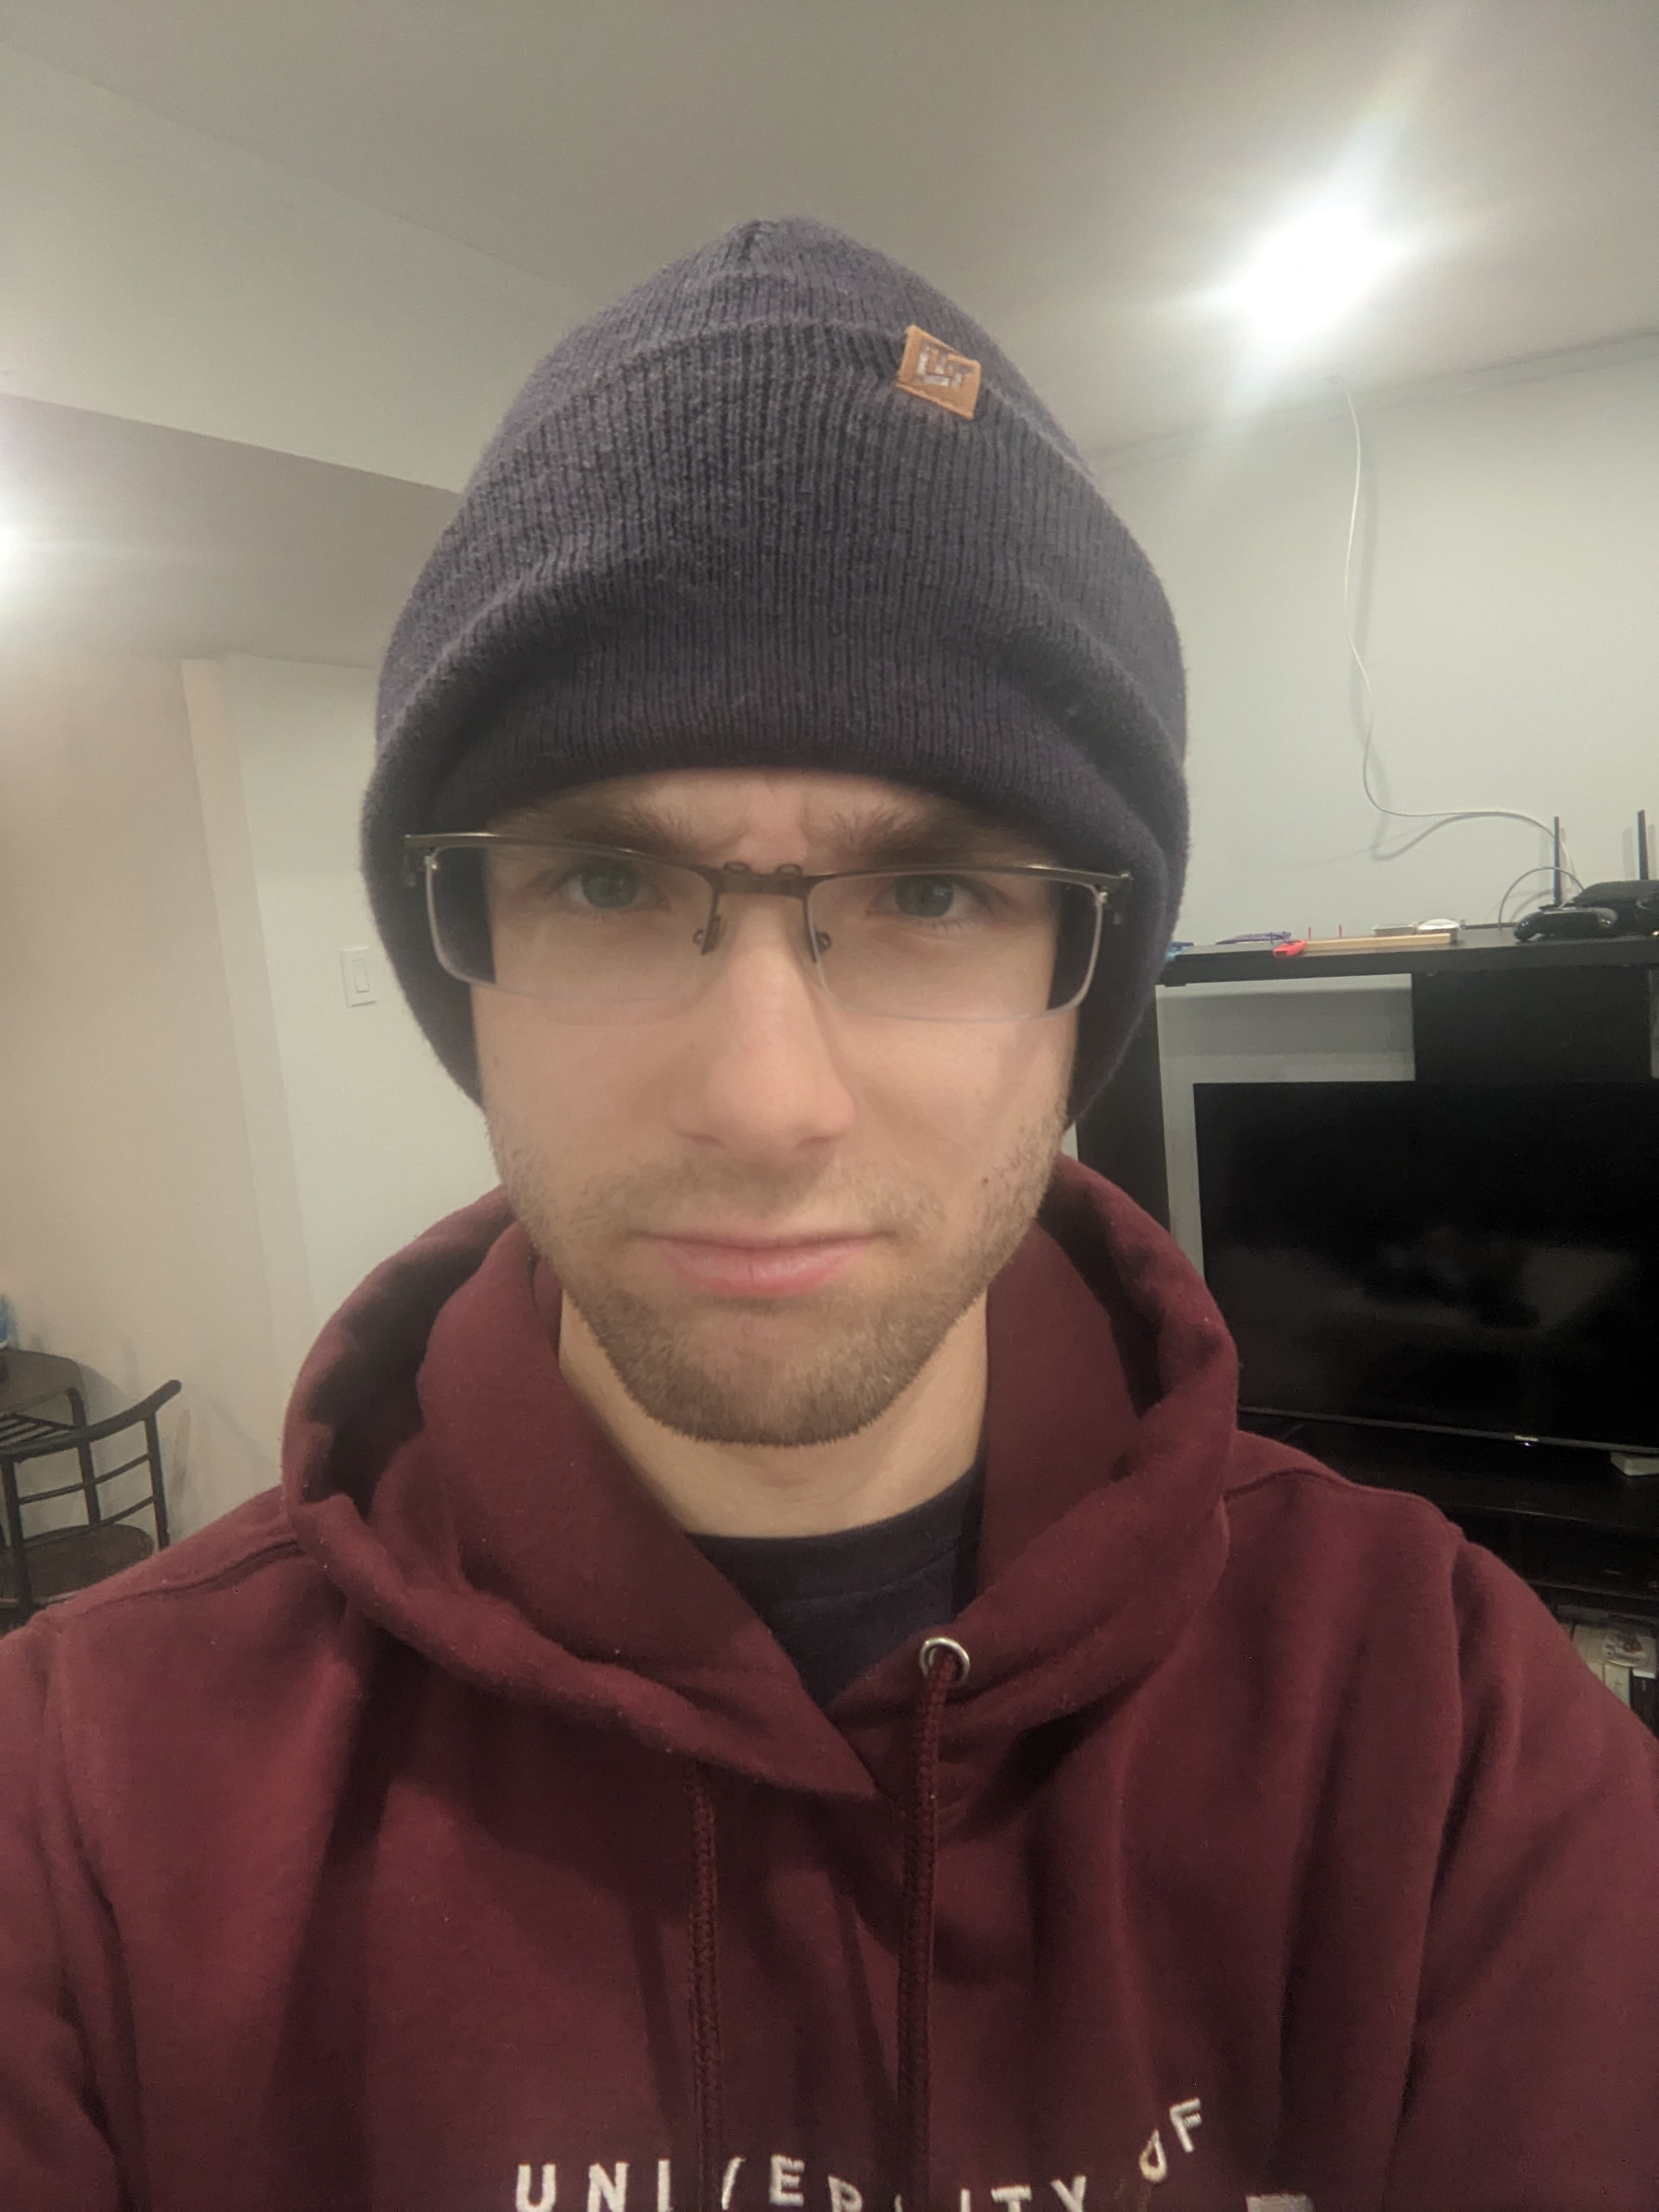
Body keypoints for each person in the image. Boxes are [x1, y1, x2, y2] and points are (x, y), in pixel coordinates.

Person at [1, 219, 1656, 2212]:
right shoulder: (85, 1800)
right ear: (460, 964)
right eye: (609, 885)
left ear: (1087, 988)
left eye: (932, 894)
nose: (766, 1102)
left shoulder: (1439, 1735)